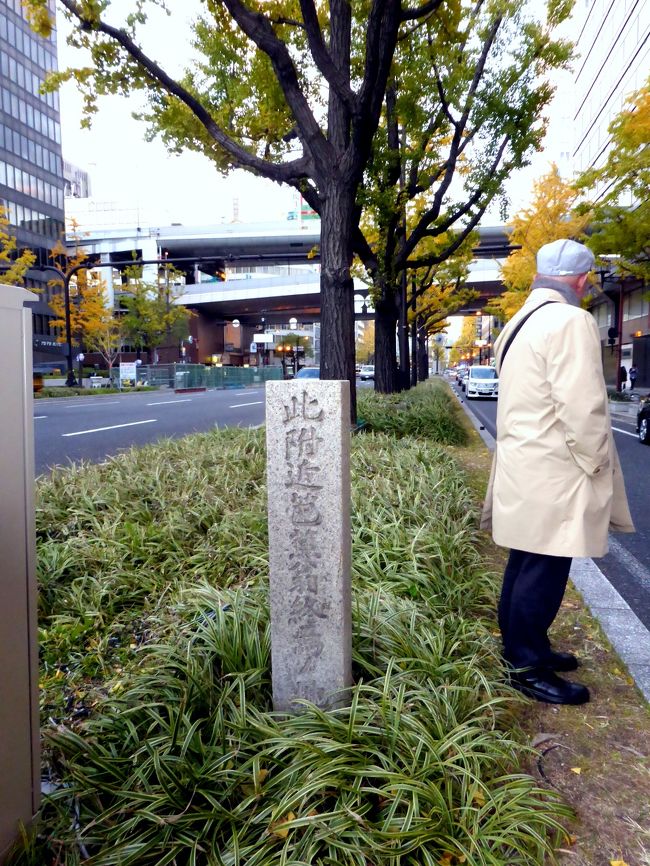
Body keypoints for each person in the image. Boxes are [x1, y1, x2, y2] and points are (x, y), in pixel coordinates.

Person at [481, 238, 634, 705]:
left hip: (524, 466)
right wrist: (597, 464)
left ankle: (526, 650)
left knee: (525, 564)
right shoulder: (571, 320)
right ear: (583, 280)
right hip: (556, 471)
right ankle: (526, 666)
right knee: (545, 568)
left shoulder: (519, 322)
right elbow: (583, 405)